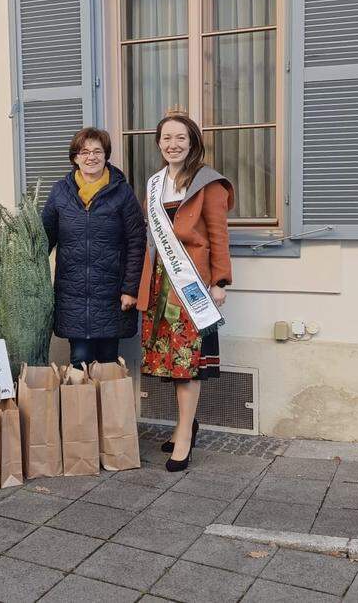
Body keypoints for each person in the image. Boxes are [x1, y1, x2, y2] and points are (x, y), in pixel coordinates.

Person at [137, 114, 234, 472]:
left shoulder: (208, 183)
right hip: (160, 283)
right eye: (166, 138)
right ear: (159, 143)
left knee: (186, 364)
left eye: (180, 137)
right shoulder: (154, 183)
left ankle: (184, 438)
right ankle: (185, 424)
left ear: (192, 141)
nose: (173, 144)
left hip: (191, 283)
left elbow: (219, 235)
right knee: (167, 361)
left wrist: (220, 282)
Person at [42, 127, 146, 368]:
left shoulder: (122, 193)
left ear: (106, 155)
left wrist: (130, 289)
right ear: (75, 157)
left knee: (108, 362)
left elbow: (136, 242)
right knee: (79, 360)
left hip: (112, 295)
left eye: (97, 151)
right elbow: (43, 241)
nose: (91, 157)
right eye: (84, 152)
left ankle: (107, 408)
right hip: (72, 295)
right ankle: (82, 408)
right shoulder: (60, 192)